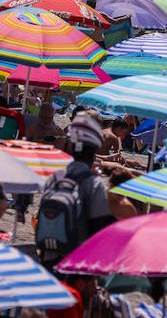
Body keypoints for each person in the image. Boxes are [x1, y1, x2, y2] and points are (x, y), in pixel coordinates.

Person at [36, 111, 112, 267]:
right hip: (75, 261)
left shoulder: (55, 177)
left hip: (47, 256)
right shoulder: (93, 183)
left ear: (71, 147)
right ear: (94, 151)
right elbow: (98, 226)